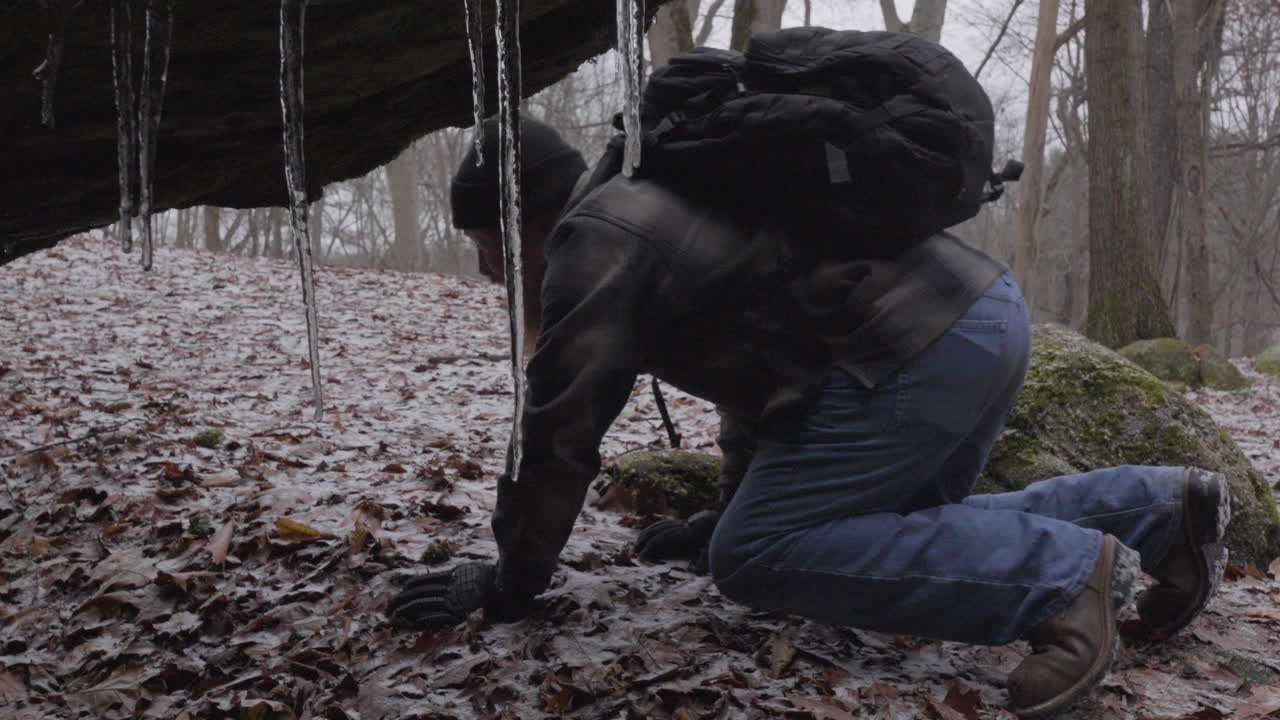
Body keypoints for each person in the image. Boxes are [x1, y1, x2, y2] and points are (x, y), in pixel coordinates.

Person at [389, 111, 1232, 718]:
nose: (488, 268)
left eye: (486, 241)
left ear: (524, 215)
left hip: (911, 349)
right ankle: (1159, 509)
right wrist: (725, 505)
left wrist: (510, 577)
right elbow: (759, 371)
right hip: (978, 315)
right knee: (899, 526)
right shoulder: (655, 199)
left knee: (756, 558)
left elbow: (560, 429)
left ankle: (1060, 581)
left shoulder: (595, 242)